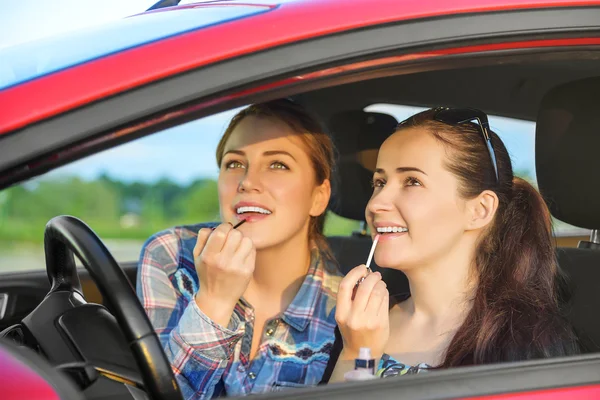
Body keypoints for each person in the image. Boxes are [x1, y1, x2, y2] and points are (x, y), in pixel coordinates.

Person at [326, 107, 579, 382]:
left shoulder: (523, 344)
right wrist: (358, 351)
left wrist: (360, 357)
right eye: (379, 182)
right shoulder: (361, 324)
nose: (375, 204)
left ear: (480, 210)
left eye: (412, 181)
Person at [137, 99, 342, 398]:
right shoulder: (172, 256)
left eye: (277, 165)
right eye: (234, 163)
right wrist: (214, 302)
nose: (247, 182)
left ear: (318, 197)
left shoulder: (345, 309)